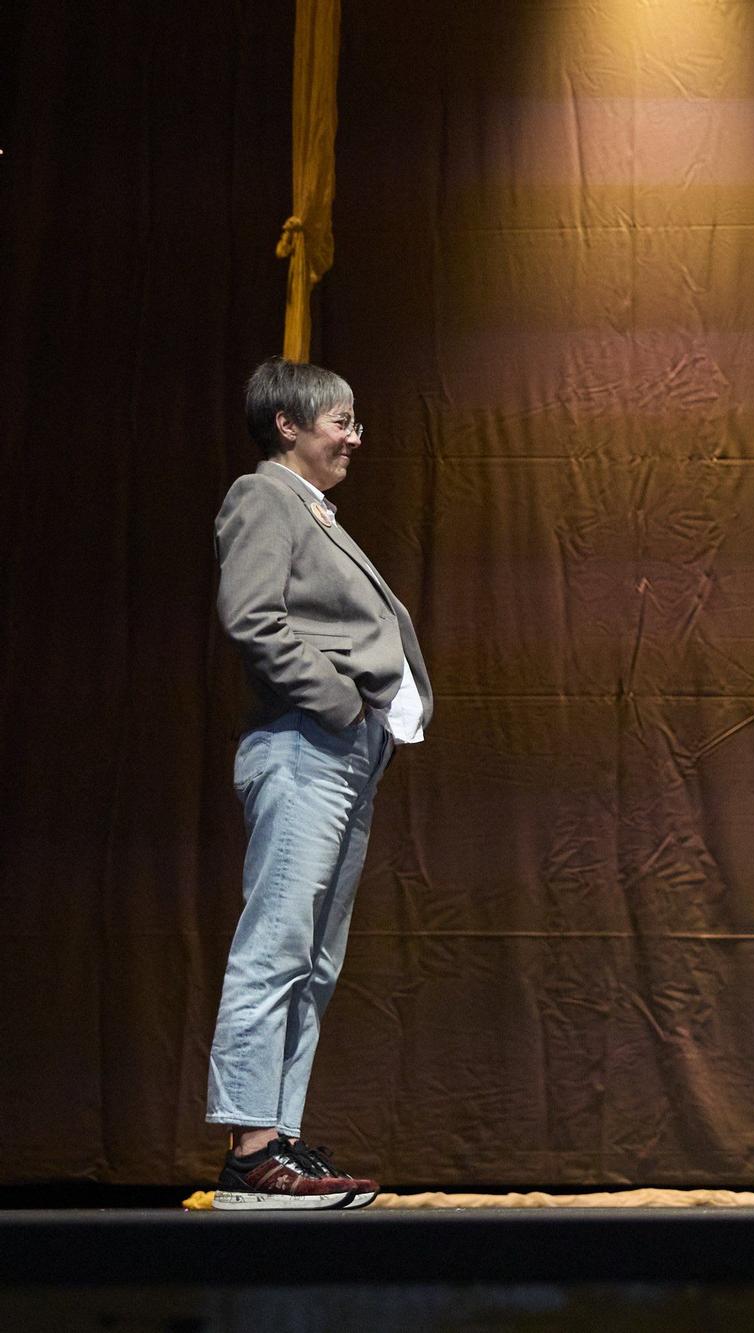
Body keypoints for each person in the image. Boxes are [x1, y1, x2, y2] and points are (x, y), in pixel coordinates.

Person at [205, 357, 434, 1209]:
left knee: (315, 958)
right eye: (342, 420)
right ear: (290, 425)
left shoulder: (312, 508)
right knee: (276, 946)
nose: (354, 437)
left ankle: (280, 1143)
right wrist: (341, 701)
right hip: (304, 744)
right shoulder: (262, 495)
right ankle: (249, 1148)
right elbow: (252, 617)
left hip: (342, 754)